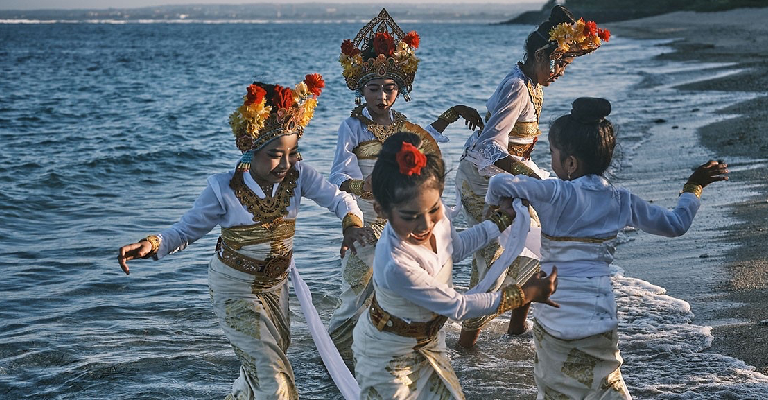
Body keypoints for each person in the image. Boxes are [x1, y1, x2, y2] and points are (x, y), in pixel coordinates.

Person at [117, 75, 371, 400]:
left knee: (260, 372)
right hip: (233, 289)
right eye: (276, 154)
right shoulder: (223, 189)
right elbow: (184, 231)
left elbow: (339, 198)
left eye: (293, 153)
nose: (286, 163)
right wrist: (152, 244)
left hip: (275, 288)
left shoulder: (298, 176)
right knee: (275, 382)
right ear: (252, 147)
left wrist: (350, 223)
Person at [485, 97, 729, 399]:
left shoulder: (552, 191)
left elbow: (498, 185)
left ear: (570, 163)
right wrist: (694, 186)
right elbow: (676, 224)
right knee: (603, 387)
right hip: (599, 314)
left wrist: (502, 207)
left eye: (553, 154)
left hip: (554, 312)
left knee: (556, 388)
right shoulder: (620, 199)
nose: (552, 161)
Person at [328, 7, 484, 366]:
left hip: (402, 225)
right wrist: (360, 184)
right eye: (373, 89)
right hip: (366, 224)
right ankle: (335, 361)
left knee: (404, 295)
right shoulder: (351, 128)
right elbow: (336, 175)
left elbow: (426, 145)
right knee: (354, 296)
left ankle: (394, 355)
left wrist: (454, 112)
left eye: (389, 89)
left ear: (400, 90)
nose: (382, 97)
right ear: (359, 89)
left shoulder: (404, 125)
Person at [350, 131, 559, 399]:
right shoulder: (396, 263)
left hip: (429, 341)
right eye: (410, 217)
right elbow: (459, 307)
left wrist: (500, 222)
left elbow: (455, 249)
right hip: (389, 357)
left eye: (434, 209)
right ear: (381, 211)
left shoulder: (436, 219)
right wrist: (526, 294)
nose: (426, 225)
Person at [456, 5, 611, 348]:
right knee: (491, 258)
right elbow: (489, 148)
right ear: (541, 54)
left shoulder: (532, 82)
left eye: (567, 66)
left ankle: (516, 328)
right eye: (559, 63)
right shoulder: (517, 87)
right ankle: (466, 345)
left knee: (544, 240)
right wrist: (533, 179)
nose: (561, 72)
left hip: (510, 176)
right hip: (482, 180)